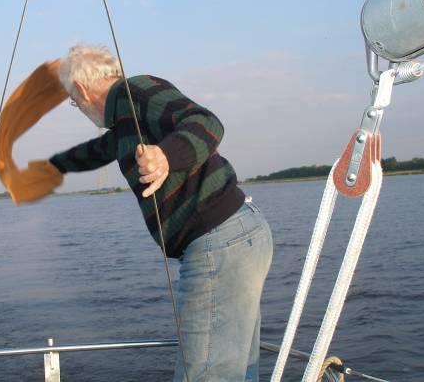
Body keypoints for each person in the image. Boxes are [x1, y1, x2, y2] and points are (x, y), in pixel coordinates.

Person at [48, 45, 273, 382]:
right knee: (239, 371)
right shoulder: (123, 124)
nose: (76, 107)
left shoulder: (137, 90)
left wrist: (166, 156)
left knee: (206, 375)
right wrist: (48, 168)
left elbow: (206, 123)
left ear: (81, 89)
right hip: (235, 238)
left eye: (72, 100)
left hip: (220, 243)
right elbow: (97, 151)